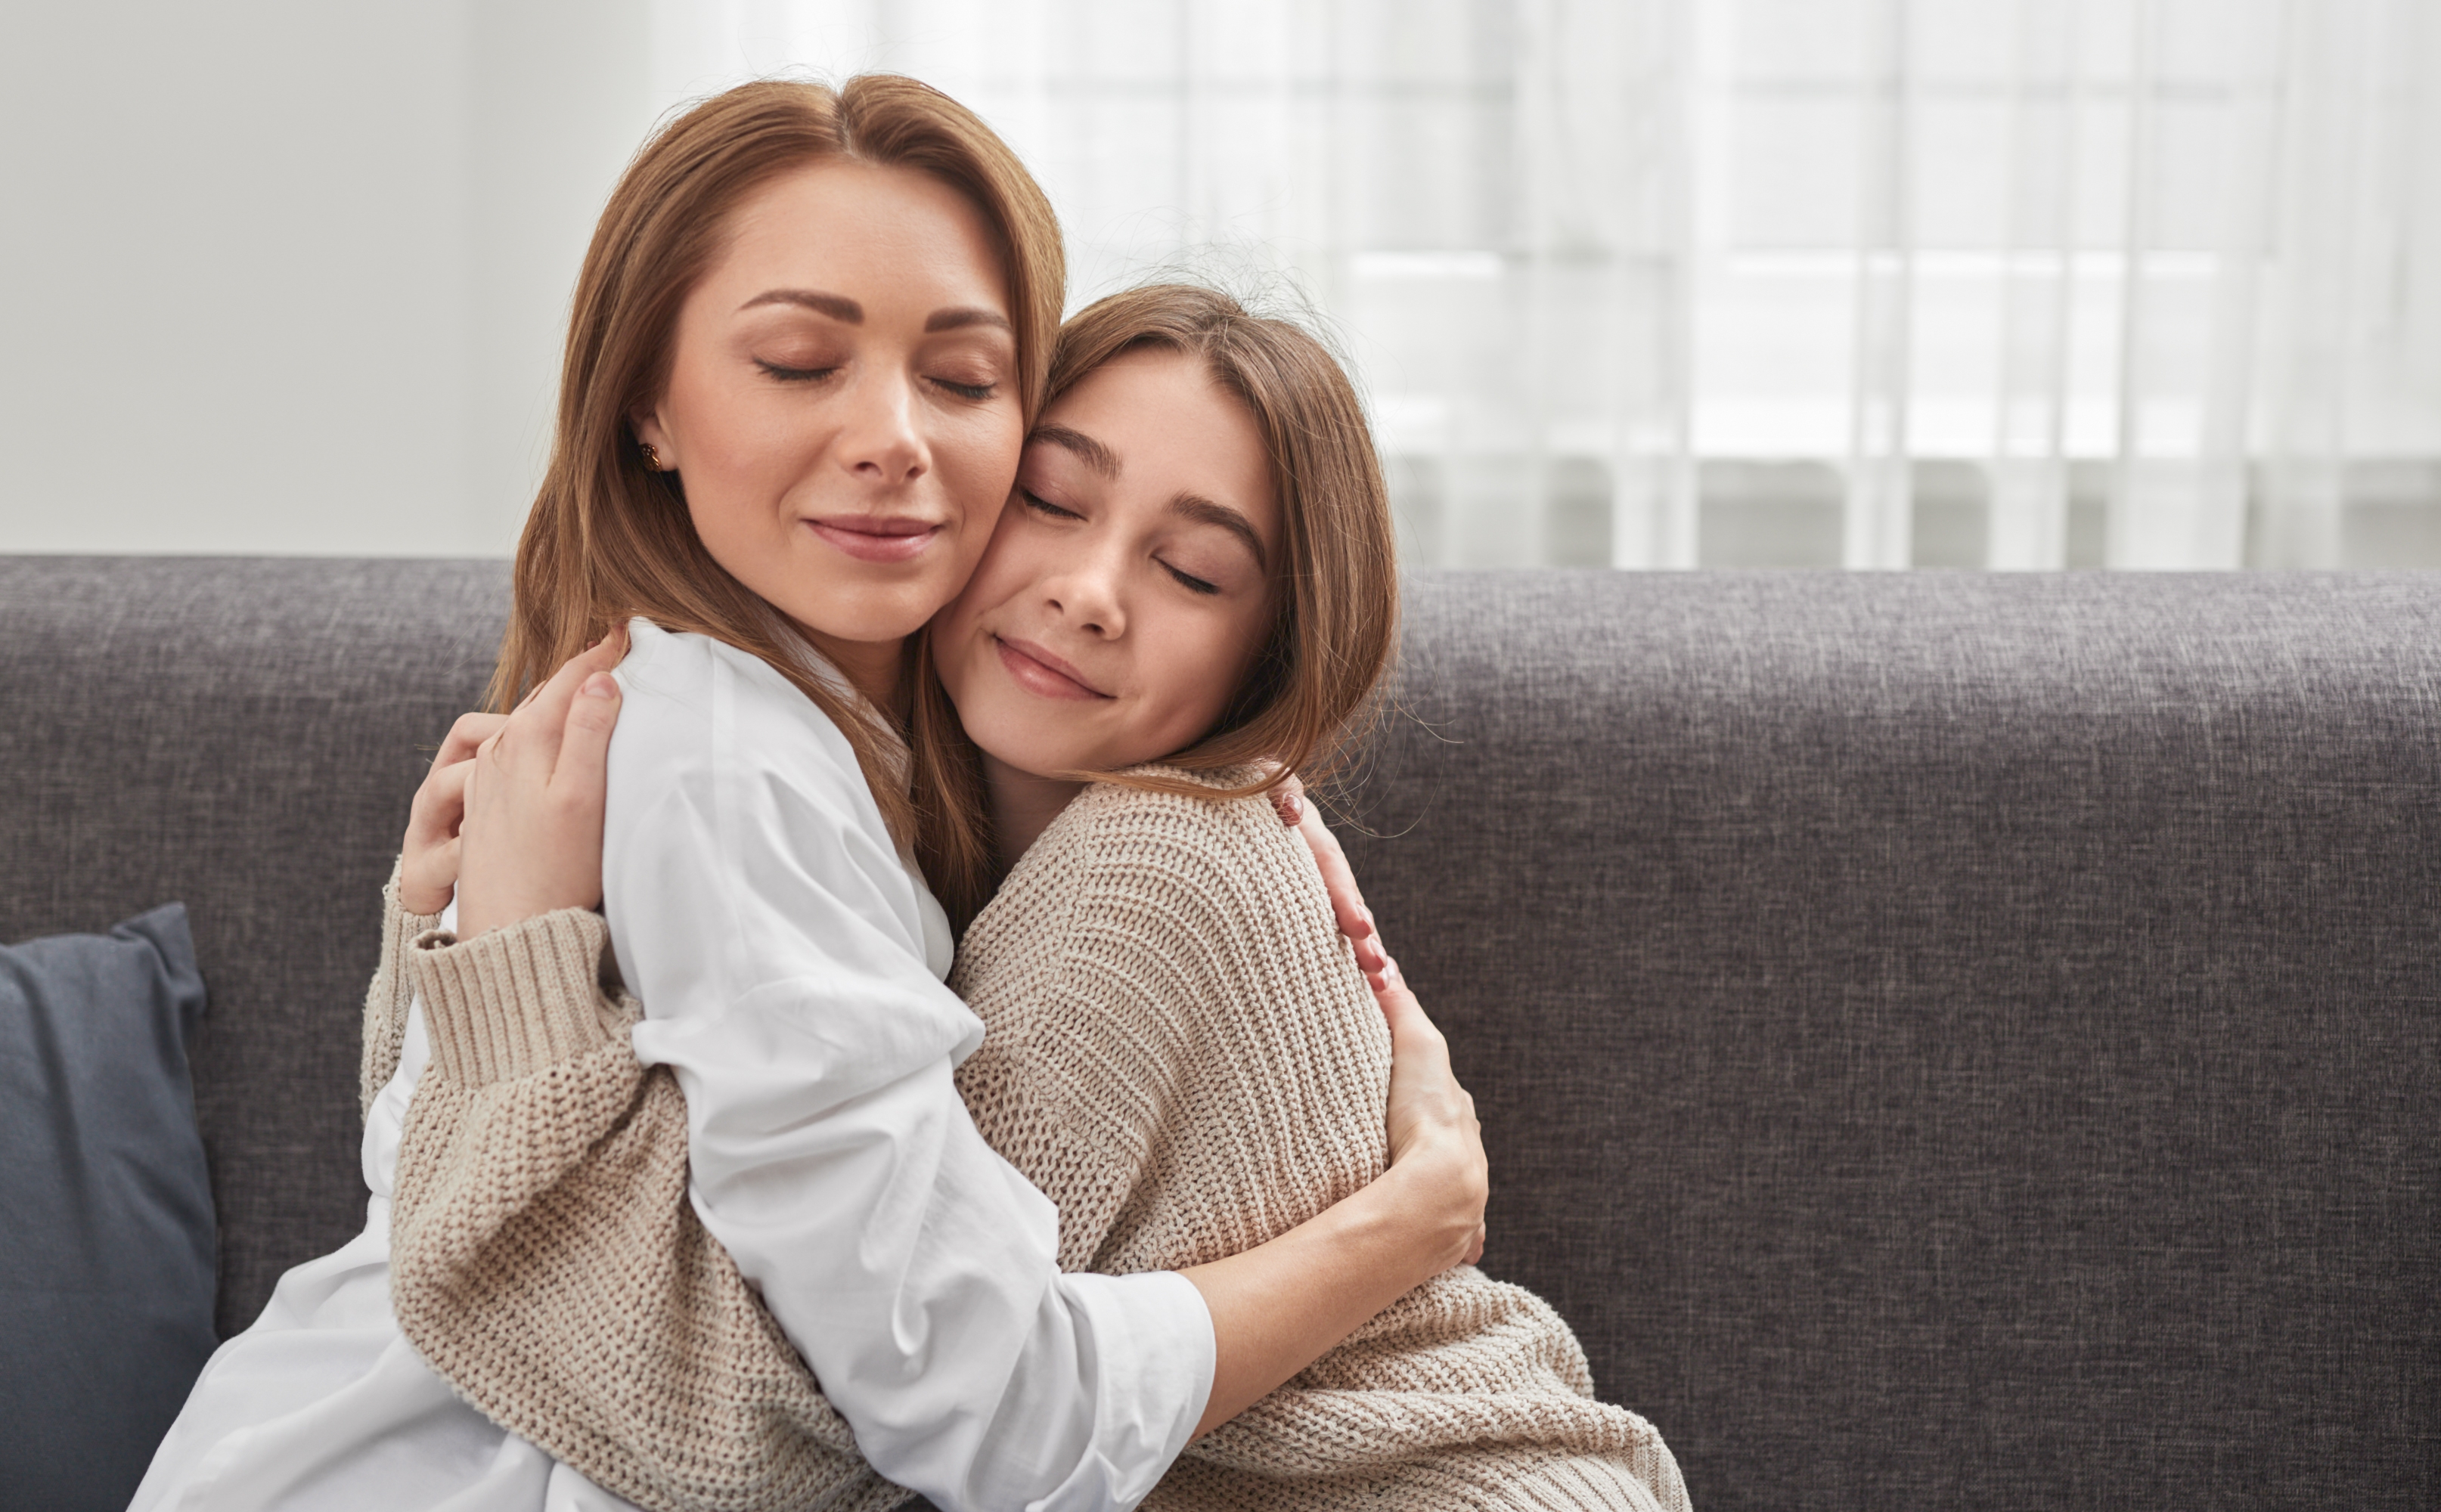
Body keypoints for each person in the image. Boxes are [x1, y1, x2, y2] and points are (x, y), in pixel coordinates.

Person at [133, 76, 1487, 1512]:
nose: (895, 435)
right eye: (796, 361)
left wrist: (460, 964)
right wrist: (1402, 1229)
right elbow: (983, 1412)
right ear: (647, 401)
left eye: (964, 382)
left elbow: (466, 1186)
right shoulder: (723, 758)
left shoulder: (849, 751)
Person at [388, 285, 1692, 1510]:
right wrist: (433, 925)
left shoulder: (1153, 869)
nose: (1089, 592)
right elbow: (430, 1209)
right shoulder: (875, 823)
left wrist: (512, 962)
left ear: (1269, 654)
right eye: (1055, 501)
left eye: (1190, 574)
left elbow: (783, 1418)